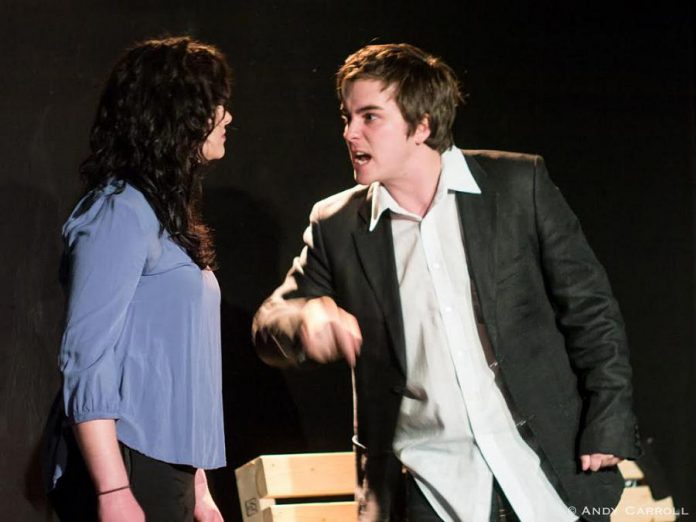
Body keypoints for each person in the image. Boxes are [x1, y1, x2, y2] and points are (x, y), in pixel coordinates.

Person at [252, 43, 640, 522]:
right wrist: (304, 319)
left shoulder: (518, 187)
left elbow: (591, 310)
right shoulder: (337, 224)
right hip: (426, 487)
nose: (350, 132)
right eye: (347, 116)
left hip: (544, 468)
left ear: (422, 125)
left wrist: (609, 419)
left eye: (370, 116)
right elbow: (271, 321)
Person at [43, 36, 233, 522]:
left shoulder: (161, 216)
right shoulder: (118, 210)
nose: (226, 115)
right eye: (214, 103)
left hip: (167, 466)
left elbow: (174, 370)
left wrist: (199, 486)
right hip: (129, 464)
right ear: (177, 114)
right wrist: (112, 490)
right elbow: (86, 356)